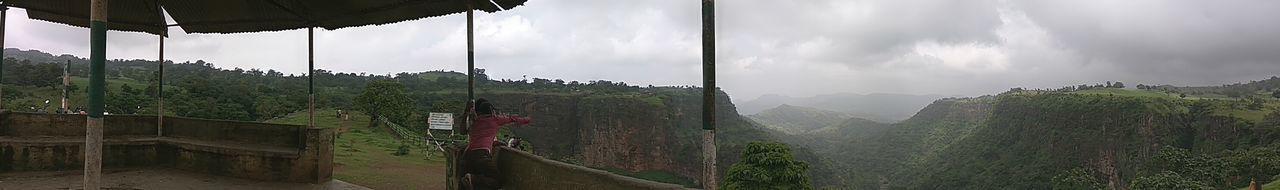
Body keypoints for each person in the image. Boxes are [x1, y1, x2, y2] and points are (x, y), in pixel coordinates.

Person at [464, 98, 531, 189]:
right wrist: (527, 120)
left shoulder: (475, 121)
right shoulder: (494, 119)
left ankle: (472, 180)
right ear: (491, 111)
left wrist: (467, 111)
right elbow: (512, 119)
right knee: (497, 180)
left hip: (468, 154)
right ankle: (473, 179)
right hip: (481, 155)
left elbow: (480, 138)